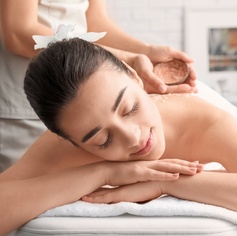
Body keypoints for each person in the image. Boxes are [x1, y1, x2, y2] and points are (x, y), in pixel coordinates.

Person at [0, 38, 237, 236]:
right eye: (103, 141)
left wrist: (167, 182)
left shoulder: (202, 120)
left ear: (137, 77)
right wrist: (104, 172)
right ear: (70, 142)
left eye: (129, 108)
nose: (135, 137)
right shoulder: (65, 143)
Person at [0, 0, 196, 172]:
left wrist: (144, 52)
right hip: (28, 109)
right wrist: (126, 59)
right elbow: (19, 31)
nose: (133, 138)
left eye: (129, 108)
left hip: (92, 99)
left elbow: (95, 22)